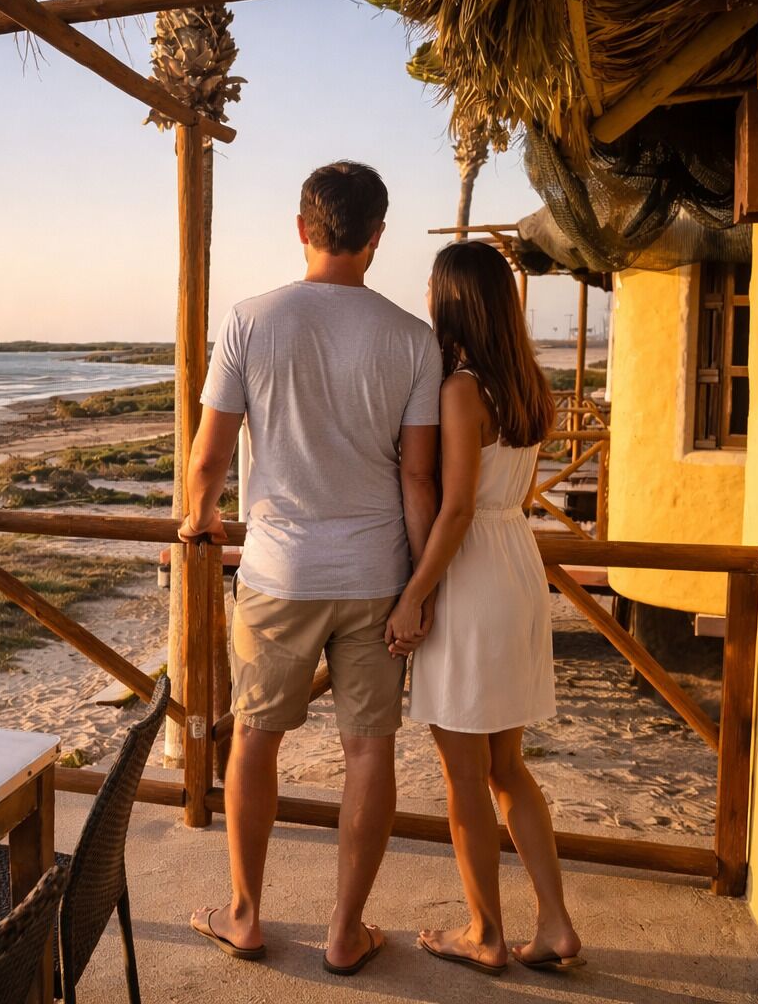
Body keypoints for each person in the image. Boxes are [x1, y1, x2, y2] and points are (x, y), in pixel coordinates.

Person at [180, 161, 442, 975]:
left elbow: (210, 458)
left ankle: (247, 916)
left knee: (255, 739)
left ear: (303, 229)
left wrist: (200, 519)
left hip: (279, 572)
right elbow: (418, 477)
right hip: (375, 575)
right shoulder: (412, 337)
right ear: (377, 237)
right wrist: (418, 587)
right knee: (369, 752)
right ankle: (343, 930)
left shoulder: (252, 319)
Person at [387, 240, 584, 974]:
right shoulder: (531, 383)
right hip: (518, 565)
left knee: (465, 774)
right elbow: (498, 498)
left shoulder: (463, 389)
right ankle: (555, 923)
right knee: (507, 766)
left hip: (471, 577)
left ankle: (486, 933)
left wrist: (414, 595)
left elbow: (459, 505)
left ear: (453, 301)